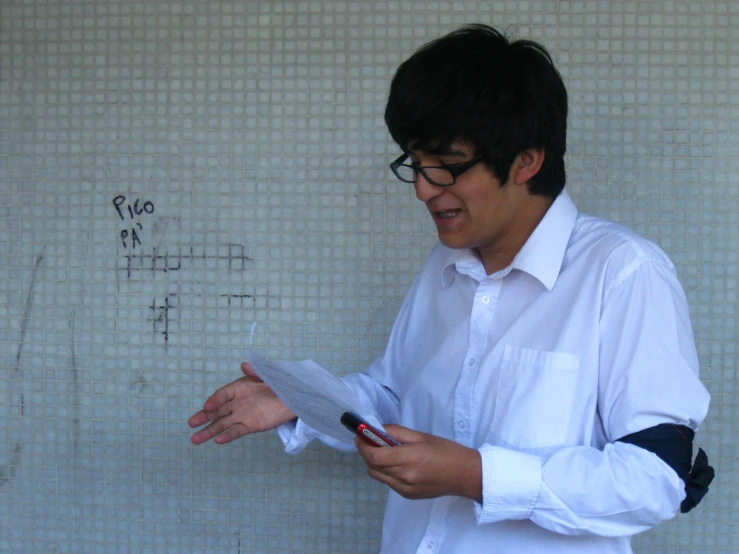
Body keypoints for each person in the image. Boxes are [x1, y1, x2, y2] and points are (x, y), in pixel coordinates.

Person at [188, 24, 714, 553]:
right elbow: (394, 394)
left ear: (526, 160)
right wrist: (303, 401)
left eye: (447, 167)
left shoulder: (622, 273)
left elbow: (656, 479)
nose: (422, 188)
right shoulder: (444, 266)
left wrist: (477, 475)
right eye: (416, 163)